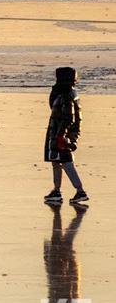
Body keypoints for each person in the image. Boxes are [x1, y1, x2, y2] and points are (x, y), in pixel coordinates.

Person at [44, 67, 88, 204]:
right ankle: (56, 191)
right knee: (56, 161)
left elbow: (69, 118)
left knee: (66, 162)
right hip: (59, 132)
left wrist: (61, 136)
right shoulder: (67, 93)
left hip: (61, 134)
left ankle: (80, 191)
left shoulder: (65, 95)